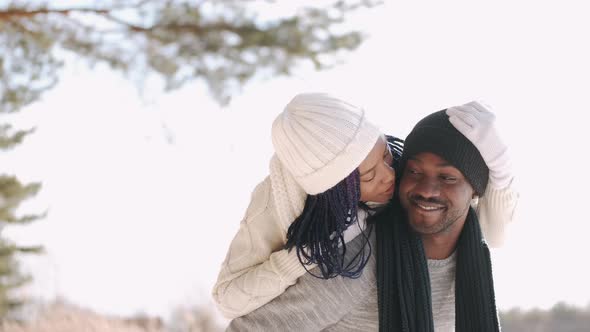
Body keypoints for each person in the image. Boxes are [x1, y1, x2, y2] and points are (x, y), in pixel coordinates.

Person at [212, 94, 517, 323]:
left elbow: (486, 231)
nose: (390, 177)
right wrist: (303, 259)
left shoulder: (404, 178)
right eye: (369, 177)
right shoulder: (342, 257)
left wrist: (501, 172)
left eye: (387, 156)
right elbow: (229, 302)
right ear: (339, 192)